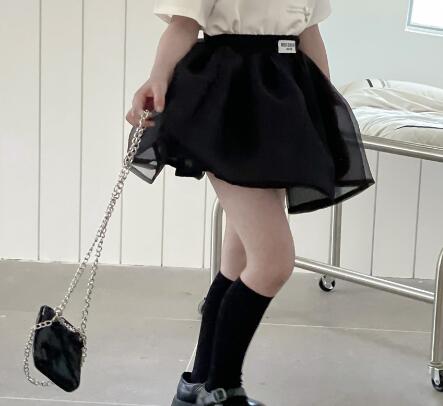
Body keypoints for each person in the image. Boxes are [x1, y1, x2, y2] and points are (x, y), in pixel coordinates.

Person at [125, 1, 375, 405]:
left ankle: (198, 386)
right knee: (273, 262)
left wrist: (324, 109)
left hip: (284, 97)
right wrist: (157, 78)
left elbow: (309, 31)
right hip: (228, 98)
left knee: (239, 260)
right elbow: (183, 24)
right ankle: (222, 390)